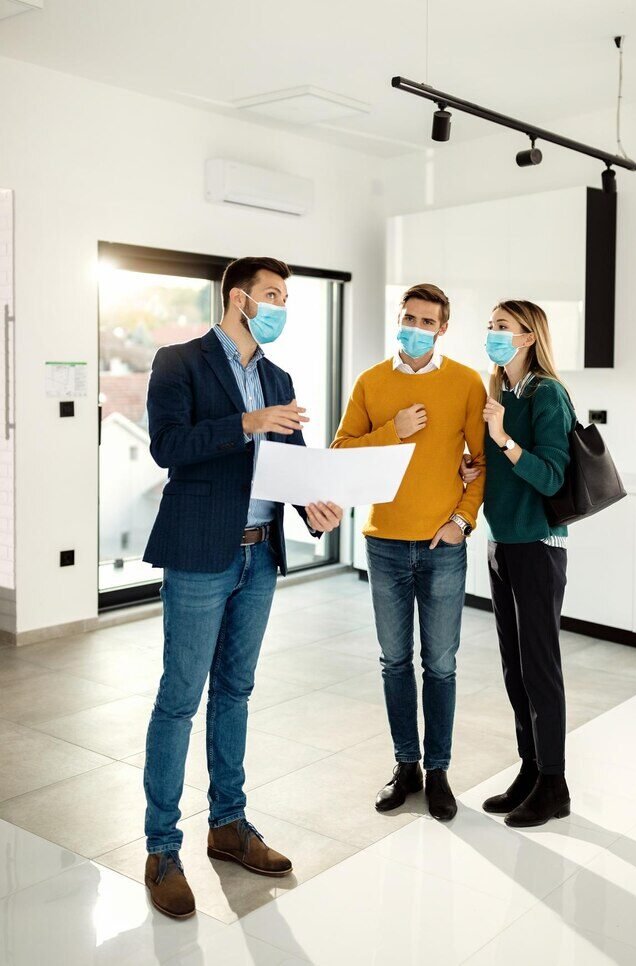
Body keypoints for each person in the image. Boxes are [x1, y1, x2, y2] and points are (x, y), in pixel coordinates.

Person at [141, 256, 342, 918]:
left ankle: (229, 825)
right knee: (179, 701)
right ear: (239, 298)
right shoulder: (180, 362)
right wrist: (247, 424)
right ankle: (162, 849)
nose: (281, 305)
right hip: (201, 554)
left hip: (260, 559)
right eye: (273, 294)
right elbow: (168, 446)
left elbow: (291, 464)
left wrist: (315, 502)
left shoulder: (278, 376)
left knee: (236, 693)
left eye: (287, 296)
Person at [332, 283, 486, 821]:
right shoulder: (371, 383)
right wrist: (390, 432)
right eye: (408, 318)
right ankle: (406, 766)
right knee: (394, 662)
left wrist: (461, 521)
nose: (415, 328)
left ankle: (439, 771)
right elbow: (340, 453)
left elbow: (479, 462)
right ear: (398, 319)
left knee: (439, 665)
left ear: (442, 328)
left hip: (442, 544)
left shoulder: (467, 382)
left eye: (427, 321)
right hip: (385, 544)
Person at [461, 299, 576, 828]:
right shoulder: (500, 393)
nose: (493, 334)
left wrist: (504, 438)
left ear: (529, 337)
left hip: (537, 545)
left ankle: (555, 783)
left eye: (502, 327)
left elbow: (552, 476)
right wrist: (475, 464)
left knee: (540, 667)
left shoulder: (546, 394)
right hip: (502, 541)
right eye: (490, 326)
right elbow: (501, 472)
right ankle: (530, 771)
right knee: (514, 667)